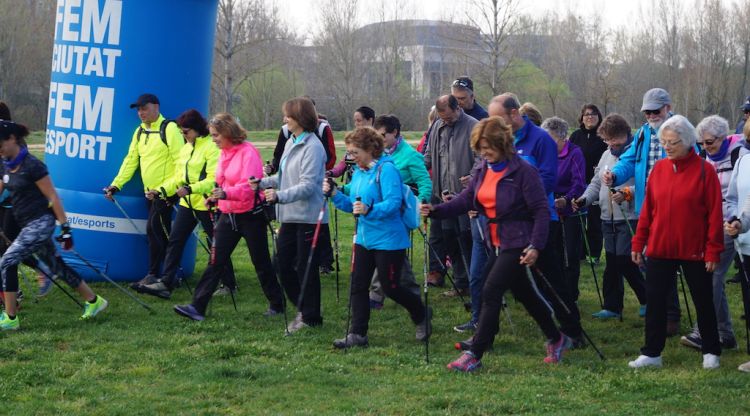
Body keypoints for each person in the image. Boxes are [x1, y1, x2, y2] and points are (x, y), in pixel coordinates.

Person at [423, 116, 571, 372]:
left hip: (518, 240)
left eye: (488, 147)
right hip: (495, 240)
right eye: (480, 148)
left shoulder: (524, 171)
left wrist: (536, 245)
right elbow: (467, 200)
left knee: (490, 291)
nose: (484, 153)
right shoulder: (483, 169)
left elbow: (540, 211)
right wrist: (436, 210)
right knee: (525, 294)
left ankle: (475, 354)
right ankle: (557, 338)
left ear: (503, 143)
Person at [488, 93, 584, 346]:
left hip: (542, 221)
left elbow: (548, 179)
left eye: (498, 118)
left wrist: (516, 199)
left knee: (551, 281)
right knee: (515, 284)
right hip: (511, 225)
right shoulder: (502, 139)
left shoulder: (541, 139)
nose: (494, 124)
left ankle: (573, 331)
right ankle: (487, 334)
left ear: (514, 114)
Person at [628, 115, 722, 369]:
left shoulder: (705, 170)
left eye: (673, 142)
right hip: (660, 247)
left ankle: (711, 350)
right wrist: (639, 242)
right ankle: (651, 353)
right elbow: (648, 209)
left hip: (695, 249)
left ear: (689, 142)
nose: (667, 147)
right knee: (655, 301)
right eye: (664, 142)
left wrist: (713, 250)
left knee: (703, 300)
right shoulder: (658, 169)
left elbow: (715, 214)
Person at [323, 127, 431, 348]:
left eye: (355, 152)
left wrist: (369, 210)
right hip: (364, 238)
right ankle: (358, 334)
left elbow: (393, 203)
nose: (351, 158)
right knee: (358, 286)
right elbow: (352, 204)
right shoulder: (361, 172)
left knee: (391, 287)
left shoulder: (387, 169)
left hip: (389, 240)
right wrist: (334, 194)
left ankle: (421, 313)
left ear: (370, 149)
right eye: (350, 153)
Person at [173, 113, 284, 321]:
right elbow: (221, 182)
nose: (213, 138)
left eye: (216, 135)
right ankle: (197, 307)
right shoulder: (223, 152)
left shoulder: (248, 152)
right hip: (227, 214)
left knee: (260, 262)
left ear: (227, 132)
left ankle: (277, 304)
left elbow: (250, 185)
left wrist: (225, 194)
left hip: (251, 215)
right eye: (212, 135)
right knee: (215, 261)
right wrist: (215, 198)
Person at [0, 120, 108, 329]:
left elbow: (53, 197)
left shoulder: (33, 165)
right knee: (56, 265)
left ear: (12, 139)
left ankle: (10, 318)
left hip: (40, 223)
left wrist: (66, 229)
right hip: (26, 223)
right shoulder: (7, 164)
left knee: (7, 260)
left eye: (0, 145)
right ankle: (94, 302)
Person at [603, 88, 682, 336]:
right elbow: (628, 160)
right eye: (646, 111)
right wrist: (615, 174)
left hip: (674, 207)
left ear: (668, 107)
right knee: (648, 262)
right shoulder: (643, 134)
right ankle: (658, 311)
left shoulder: (681, 129)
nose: (650, 115)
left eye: (655, 111)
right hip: (647, 208)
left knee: (665, 262)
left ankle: (671, 316)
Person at [255, 97, 327, 333]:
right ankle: (303, 308)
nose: (284, 119)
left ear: (300, 119)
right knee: (282, 265)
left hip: (307, 216)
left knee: (306, 269)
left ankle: (310, 316)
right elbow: (284, 176)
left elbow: (308, 186)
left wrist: (278, 196)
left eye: (288, 116)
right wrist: (262, 182)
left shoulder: (314, 147)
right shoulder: (291, 142)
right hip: (289, 216)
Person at [138, 109, 223, 299]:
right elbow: (178, 177)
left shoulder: (211, 147)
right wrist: (160, 191)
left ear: (197, 129)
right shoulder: (186, 148)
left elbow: (213, 180)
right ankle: (166, 283)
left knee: (216, 244)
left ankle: (229, 283)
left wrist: (191, 189)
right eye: (181, 132)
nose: (183, 135)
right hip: (187, 203)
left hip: (207, 203)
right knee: (175, 241)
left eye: (185, 132)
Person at [104, 93, 184, 289]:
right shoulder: (140, 131)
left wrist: (167, 190)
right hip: (150, 194)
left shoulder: (170, 129)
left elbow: (182, 163)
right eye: (139, 110)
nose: (141, 113)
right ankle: (165, 275)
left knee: (154, 230)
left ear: (156, 107)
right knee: (158, 233)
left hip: (166, 193)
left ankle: (159, 275)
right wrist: (117, 184)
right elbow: (131, 160)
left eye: (144, 108)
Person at [574, 114, 646, 319]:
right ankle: (612, 306)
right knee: (612, 261)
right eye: (607, 140)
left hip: (629, 216)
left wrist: (626, 193)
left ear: (625, 135)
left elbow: (644, 183)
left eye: (614, 139)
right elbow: (596, 183)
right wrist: (584, 200)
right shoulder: (606, 155)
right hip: (608, 217)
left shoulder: (636, 153)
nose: (611, 144)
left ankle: (646, 296)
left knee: (624, 259)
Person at [366, 115, 431, 309]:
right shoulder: (378, 154)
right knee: (394, 256)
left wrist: (421, 202)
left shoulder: (410, 155)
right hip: (380, 212)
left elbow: (425, 182)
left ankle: (376, 296)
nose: (380, 139)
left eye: (383, 135)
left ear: (395, 132)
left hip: (400, 213)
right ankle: (410, 292)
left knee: (387, 252)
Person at [423, 95, 476, 295]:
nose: (445, 121)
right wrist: (414, 170)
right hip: (441, 194)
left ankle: (474, 282)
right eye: (442, 118)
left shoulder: (473, 126)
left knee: (466, 240)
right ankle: (461, 283)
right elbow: (428, 155)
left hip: (464, 197)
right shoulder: (437, 125)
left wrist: (473, 176)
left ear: (457, 108)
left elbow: (482, 157)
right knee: (450, 239)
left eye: (448, 117)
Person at [0, 101, 53, 296]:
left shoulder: (12, 142)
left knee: (9, 249)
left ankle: (13, 293)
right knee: (8, 249)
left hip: (13, 203)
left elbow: (10, 177)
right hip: (7, 202)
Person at [542, 116, 585, 303]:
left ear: (562, 138)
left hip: (570, 209)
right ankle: (555, 293)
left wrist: (566, 200)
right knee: (553, 253)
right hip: (550, 210)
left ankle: (570, 295)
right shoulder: (544, 154)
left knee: (570, 255)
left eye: (550, 140)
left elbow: (579, 182)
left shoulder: (575, 153)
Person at [725, 123, 750, 372]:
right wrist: (733, 218)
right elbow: (733, 197)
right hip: (745, 242)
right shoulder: (743, 161)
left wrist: (741, 220)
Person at [569, 104, 607, 263]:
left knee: (594, 222)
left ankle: (594, 254)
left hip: (597, 185)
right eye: (586, 114)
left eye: (593, 114)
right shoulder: (576, 136)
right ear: (582, 117)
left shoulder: (603, 136)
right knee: (578, 221)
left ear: (599, 117)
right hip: (578, 184)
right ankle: (580, 254)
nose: (589, 117)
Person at [328, 106, 375, 182]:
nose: (356, 124)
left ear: (370, 120)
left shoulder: (377, 145)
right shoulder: (354, 141)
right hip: (351, 189)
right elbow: (344, 164)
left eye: (359, 121)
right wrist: (330, 173)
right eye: (355, 121)